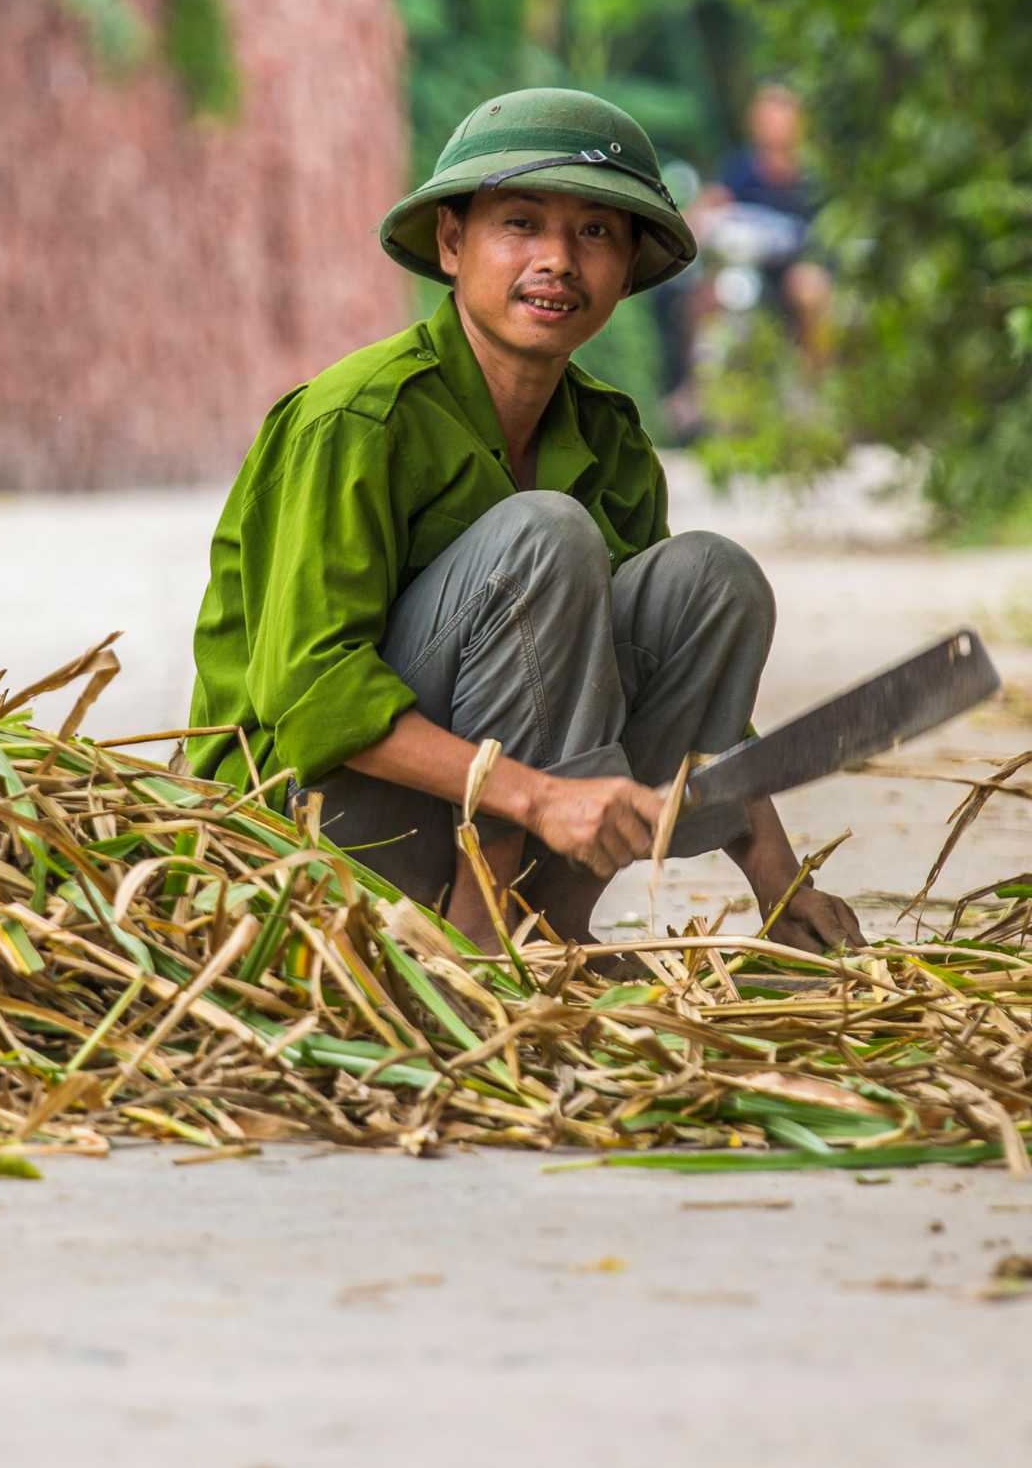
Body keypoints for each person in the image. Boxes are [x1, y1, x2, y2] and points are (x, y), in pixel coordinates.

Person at [188, 88, 864, 957]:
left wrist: (781, 882)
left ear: (628, 267)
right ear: (452, 243)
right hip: (308, 842)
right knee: (545, 535)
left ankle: (547, 924)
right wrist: (540, 797)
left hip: (498, 822)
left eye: (595, 233)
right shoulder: (356, 419)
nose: (558, 261)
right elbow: (314, 698)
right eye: (520, 223)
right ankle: (483, 935)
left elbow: (685, 687)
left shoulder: (608, 436)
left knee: (712, 579)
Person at [694, 83, 832, 364]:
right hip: (746, 265)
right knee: (705, 296)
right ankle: (698, 378)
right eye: (767, 118)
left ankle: (817, 373)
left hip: (795, 268)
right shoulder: (740, 169)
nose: (774, 126)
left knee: (809, 288)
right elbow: (709, 204)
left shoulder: (810, 177)